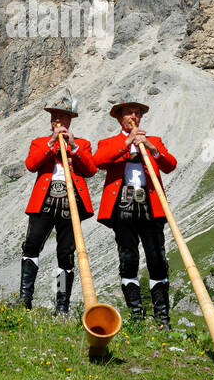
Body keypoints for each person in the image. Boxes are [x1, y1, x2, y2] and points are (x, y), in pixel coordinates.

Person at [93, 97, 178, 328]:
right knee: (128, 259)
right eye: (129, 113)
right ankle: (136, 316)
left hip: (150, 205)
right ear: (120, 118)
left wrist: (151, 148)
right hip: (122, 206)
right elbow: (98, 161)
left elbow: (170, 165)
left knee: (157, 259)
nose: (134, 117)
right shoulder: (108, 142)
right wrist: (127, 142)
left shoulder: (154, 141)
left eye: (137, 114)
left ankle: (162, 318)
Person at [19, 90, 97, 314]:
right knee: (32, 246)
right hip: (45, 201)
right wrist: (52, 142)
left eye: (62, 117)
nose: (57, 121)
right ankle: (26, 297)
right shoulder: (40, 142)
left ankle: (61, 304)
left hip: (70, 202)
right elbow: (31, 164)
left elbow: (90, 170)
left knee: (65, 255)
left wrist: (73, 147)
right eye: (54, 117)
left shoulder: (82, 144)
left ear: (70, 120)